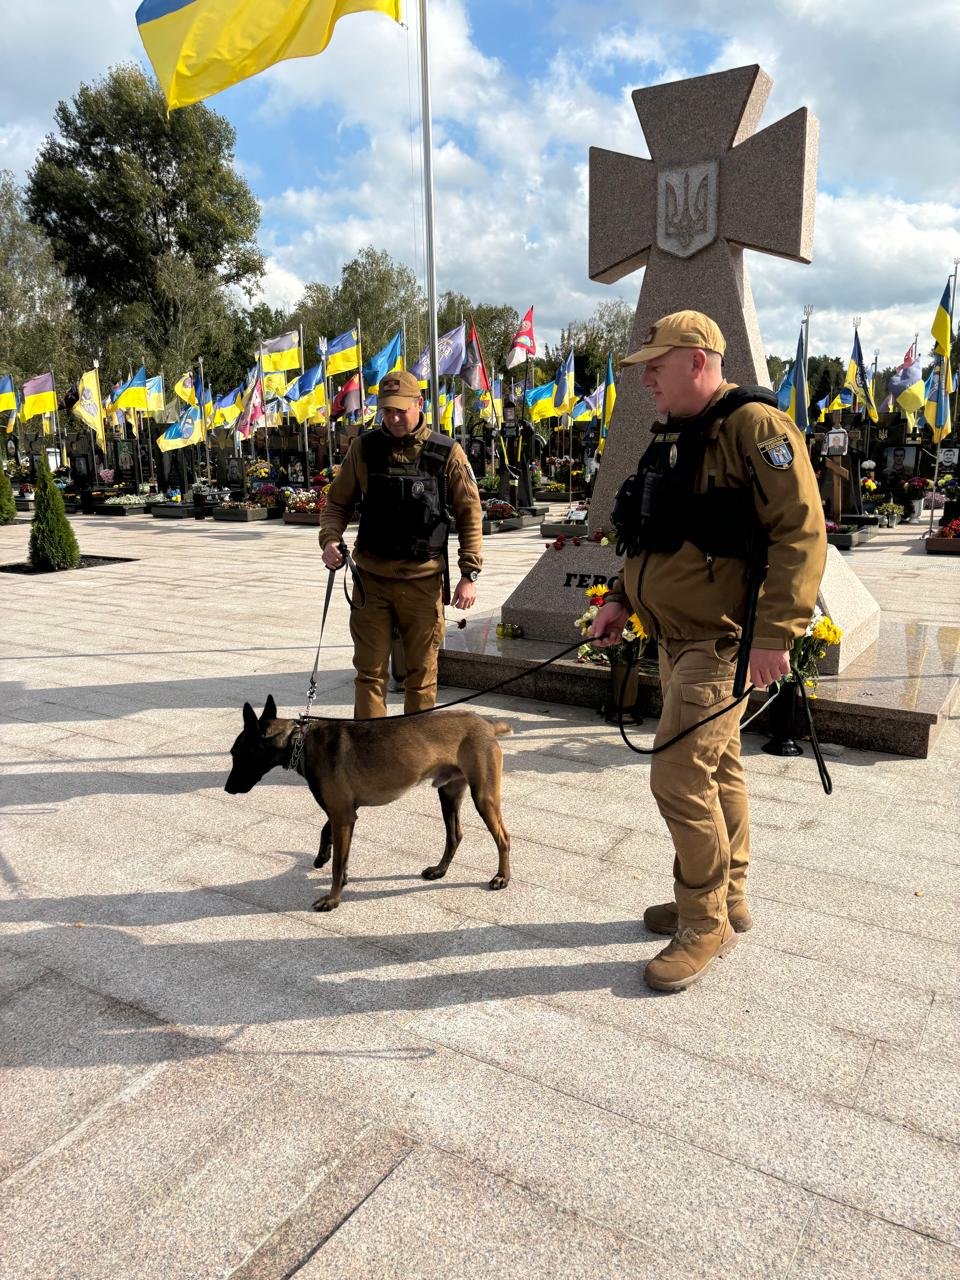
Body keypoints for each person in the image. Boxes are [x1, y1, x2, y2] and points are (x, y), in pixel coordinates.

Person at [589, 310, 826, 992]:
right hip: (674, 638)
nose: (647, 385)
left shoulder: (755, 429)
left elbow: (802, 531)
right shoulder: (675, 435)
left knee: (676, 776)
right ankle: (728, 896)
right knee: (717, 768)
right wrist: (618, 598)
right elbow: (648, 528)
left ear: (696, 361)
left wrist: (778, 632)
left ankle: (703, 922)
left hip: (721, 643)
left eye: (656, 369)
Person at [318, 369, 483, 718]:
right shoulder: (363, 449)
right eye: (386, 410)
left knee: (422, 675)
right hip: (371, 581)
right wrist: (330, 539)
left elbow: (470, 513)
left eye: (400, 410)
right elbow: (337, 503)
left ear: (419, 404)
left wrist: (470, 573)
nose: (392, 418)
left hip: (422, 584)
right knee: (369, 673)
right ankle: (372, 749)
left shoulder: (446, 453)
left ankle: (413, 752)